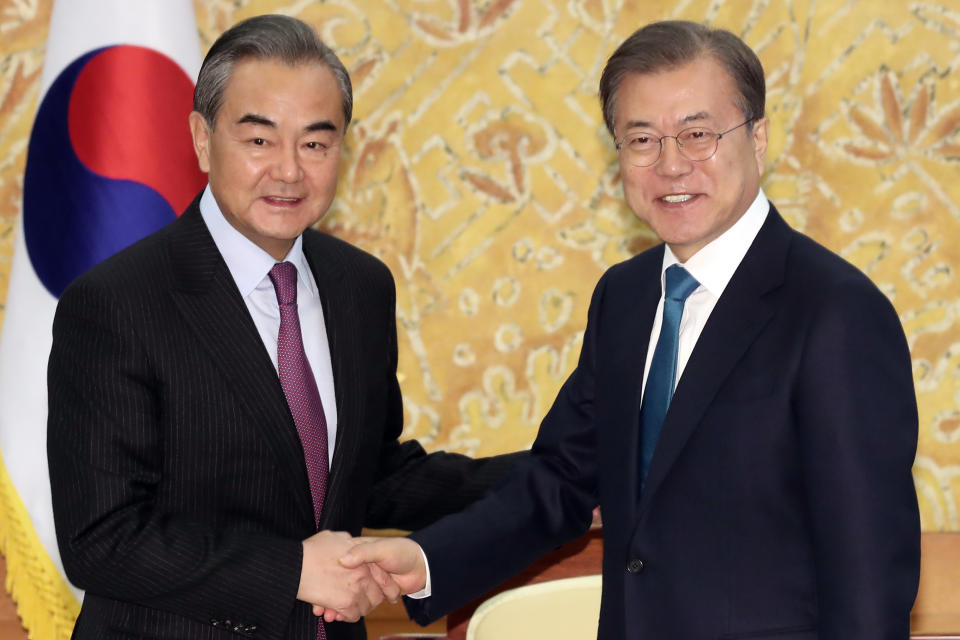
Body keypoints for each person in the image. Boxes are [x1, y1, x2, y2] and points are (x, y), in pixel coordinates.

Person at [341, 20, 921, 639]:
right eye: (642, 138)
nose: (671, 164)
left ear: (759, 138)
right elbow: (562, 479)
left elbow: (867, 578)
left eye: (698, 134)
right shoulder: (626, 295)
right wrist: (427, 561)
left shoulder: (836, 314)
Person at [47, 14, 521, 640]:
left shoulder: (362, 287)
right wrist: (292, 569)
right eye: (260, 140)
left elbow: (369, 476)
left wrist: (557, 476)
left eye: (316, 143)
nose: (290, 171)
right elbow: (100, 539)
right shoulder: (115, 304)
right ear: (200, 139)